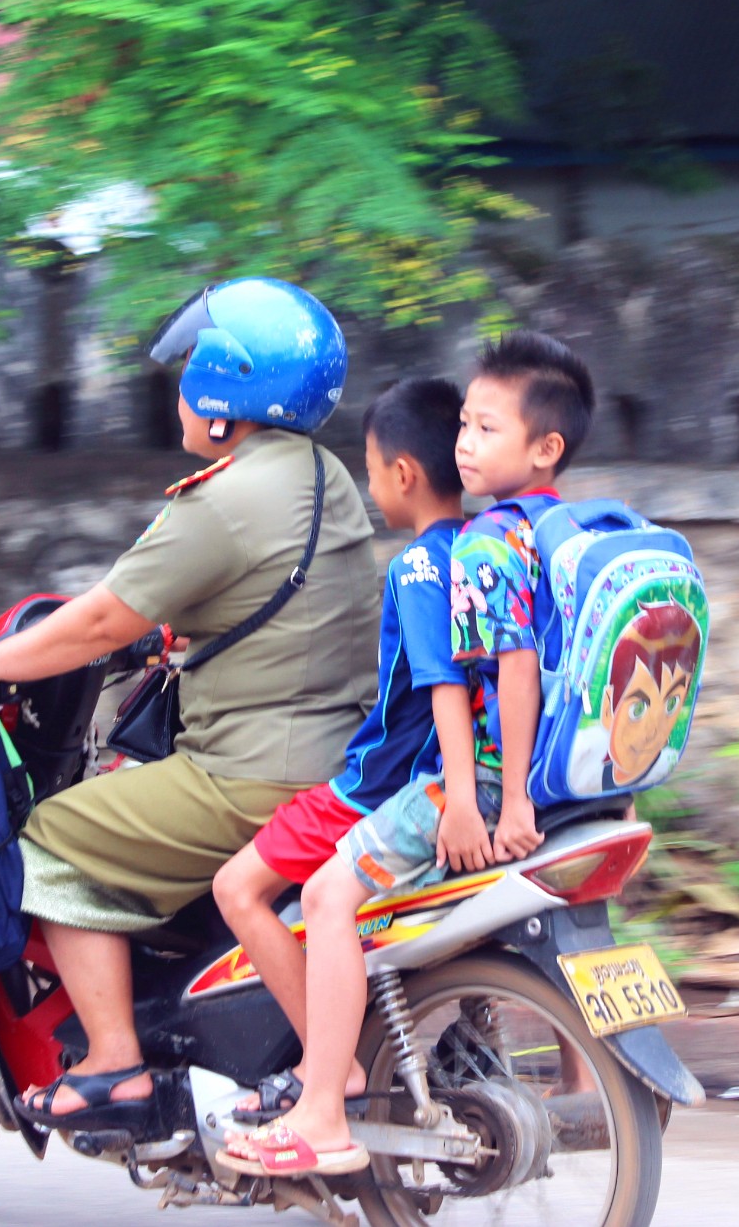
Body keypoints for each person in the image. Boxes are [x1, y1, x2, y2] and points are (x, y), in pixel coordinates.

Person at [0, 278, 381, 1133]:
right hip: (336, 758)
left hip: (246, 776)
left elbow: (102, 617)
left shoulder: (220, 503)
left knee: (49, 836)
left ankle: (115, 1063)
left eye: (191, 372)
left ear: (226, 397)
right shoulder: (325, 476)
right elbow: (264, 598)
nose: (178, 389)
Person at [221, 330, 597, 1177]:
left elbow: (473, 682)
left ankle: (321, 1106)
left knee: (320, 894)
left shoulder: (474, 547)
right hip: (561, 775)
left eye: (487, 428)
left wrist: (476, 801)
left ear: (545, 447)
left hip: (474, 781)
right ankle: (582, 1079)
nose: (467, 443)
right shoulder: (567, 529)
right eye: (464, 424)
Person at [207, 378, 472, 1170]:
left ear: (402, 474)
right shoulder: (492, 546)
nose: (368, 484)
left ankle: (331, 1072)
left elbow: (439, 682)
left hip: (378, 783)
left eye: (368, 467)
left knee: (238, 888)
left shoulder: (421, 565)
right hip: (425, 776)